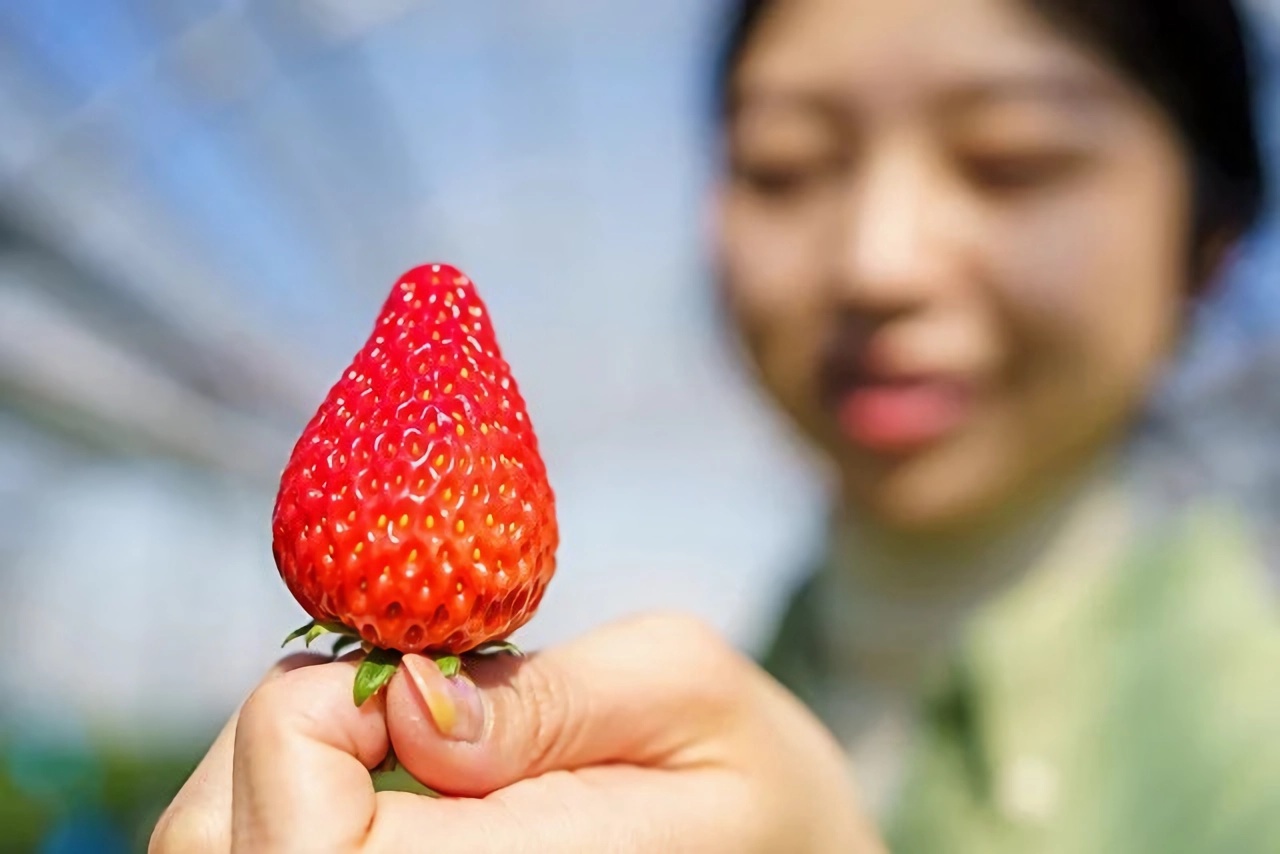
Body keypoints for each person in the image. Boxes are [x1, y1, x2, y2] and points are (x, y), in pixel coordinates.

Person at [150, 0, 1280, 850]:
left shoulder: (1244, 757)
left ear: (1209, 240)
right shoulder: (771, 658)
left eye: (1010, 160)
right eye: (786, 166)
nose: (876, 262)